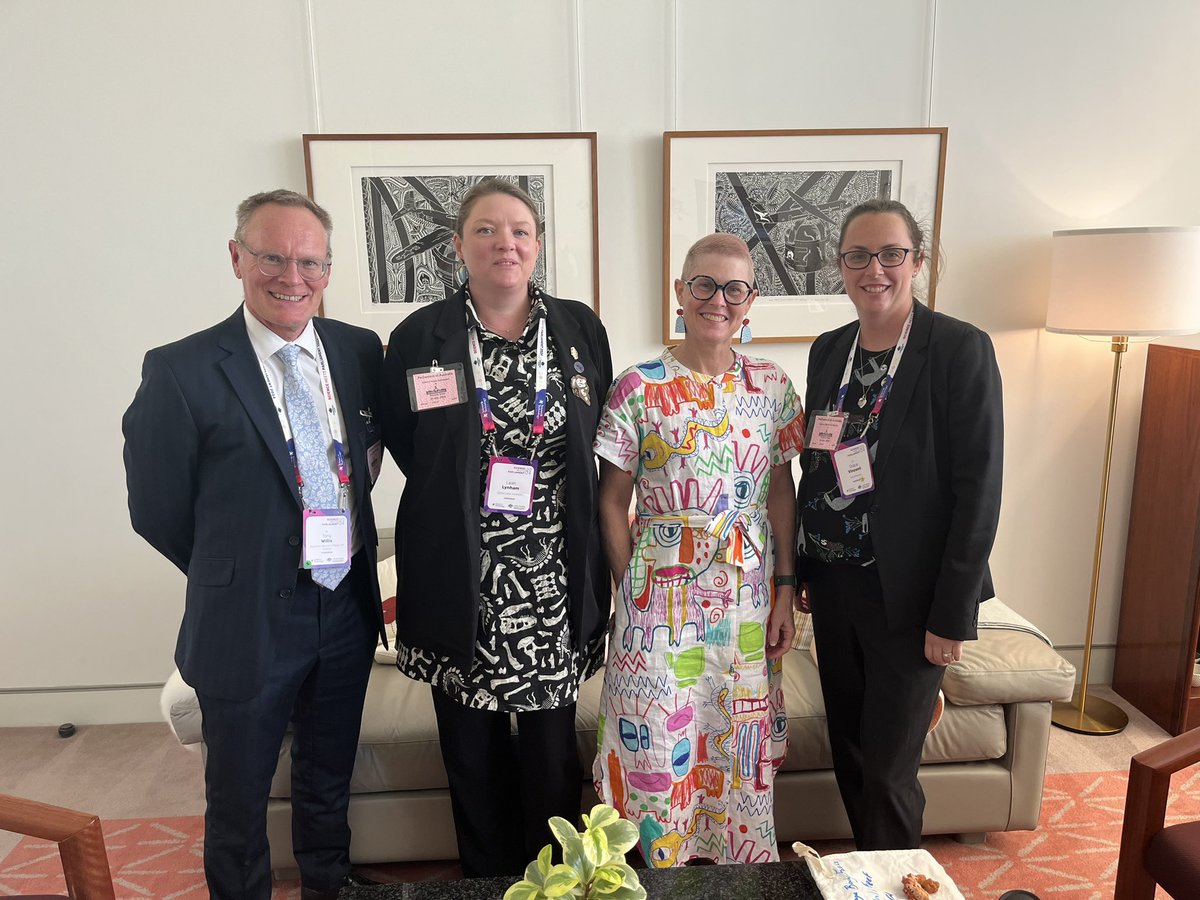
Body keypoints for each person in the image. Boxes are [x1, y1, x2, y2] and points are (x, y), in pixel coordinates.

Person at [122, 189, 386, 900]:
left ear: (328, 270)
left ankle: (330, 884)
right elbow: (156, 509)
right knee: (237, 796)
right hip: (244, 622)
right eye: (272, 256)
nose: (291, 276)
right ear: (237, 257)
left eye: (309, 261)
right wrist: (233, 572)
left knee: (328, 773)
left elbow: (369, 454)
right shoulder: (180, 370)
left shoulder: (358, 351)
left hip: (346, 608)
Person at [379, 178, 613, 878]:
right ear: (458, 246)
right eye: (485, 230)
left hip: (551, 578)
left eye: (519, 230)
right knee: (471, 750)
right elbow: (406, 439)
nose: (503, 243)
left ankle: (553, 883)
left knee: (549, 754)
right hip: (462, 574)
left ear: (537, 245)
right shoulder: (420, 335)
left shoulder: (579, 328)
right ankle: (486, 883)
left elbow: (594, 429)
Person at [794, 198, 1004, 850]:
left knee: (888, 770)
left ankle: (893, 880)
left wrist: (952, 615)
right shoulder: (831, 351)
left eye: (890, 254)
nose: (874, 269)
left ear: (917, 261)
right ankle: (870, 877)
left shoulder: (958, 349)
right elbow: (818, 464)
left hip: (911, 598)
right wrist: (802, 568)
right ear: (842, 265)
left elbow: (980, 489)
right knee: (852, 749)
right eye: (858, 255)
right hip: (835, 587)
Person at [592, 233, 805, 867]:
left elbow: (780, 496)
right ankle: (654, 876)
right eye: (704, 285)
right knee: (656, 745)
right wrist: (631, 586)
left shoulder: (771, 386)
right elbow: (610, 500)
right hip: (656, 603)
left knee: (734, 742)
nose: (719, 299)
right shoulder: (637, 386)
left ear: (751, 301)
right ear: (680, 293)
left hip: (744, 603)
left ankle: (738, 875)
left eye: (734, 288)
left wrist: (786, 590)